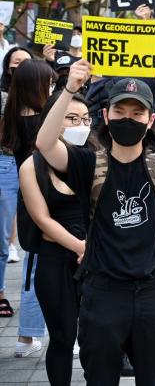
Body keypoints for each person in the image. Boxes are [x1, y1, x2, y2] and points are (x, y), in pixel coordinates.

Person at [35, 58, 155, 385]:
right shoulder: (88, 164)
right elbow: (45, 144)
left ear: (150, 119)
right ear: (105, 115)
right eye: (119, 111)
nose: (127, 118)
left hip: (153, 293)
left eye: (137, 113)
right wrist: (70, 88)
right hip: (103, 293)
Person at [18, 91, 94, 385]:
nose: (80, 125)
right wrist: (79, 246)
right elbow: (42, 219)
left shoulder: (96, 158)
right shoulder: (31, 165)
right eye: (71, 118)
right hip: (55, 259)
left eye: (86, 119)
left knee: (97, 336)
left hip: (96, 260)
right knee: (62, 336)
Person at [0, 58, 53, 356]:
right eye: (49, 83)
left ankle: (27, 336)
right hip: (49, 199)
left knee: (33, 268)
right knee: (47, 269)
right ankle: (33, 335)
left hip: (29, 201)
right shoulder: (43, 121)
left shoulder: (12, 117)